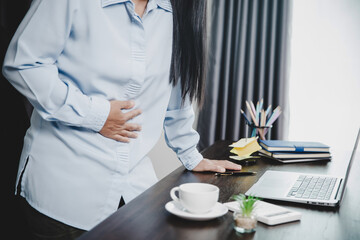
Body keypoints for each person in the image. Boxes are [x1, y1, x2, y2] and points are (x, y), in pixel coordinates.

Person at [2, 0, 241, 239]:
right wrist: (96, 115)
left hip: (135, 193)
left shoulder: (174, 12)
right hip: (64, 193)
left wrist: (191, 154)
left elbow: (176, 96)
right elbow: (23, 65)